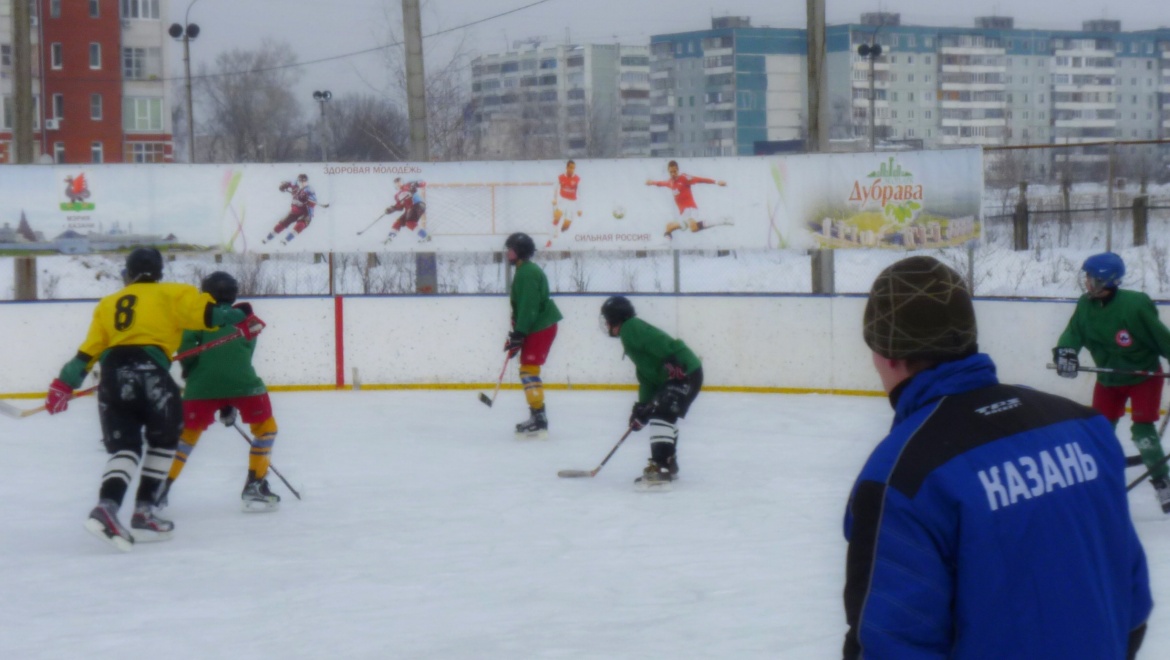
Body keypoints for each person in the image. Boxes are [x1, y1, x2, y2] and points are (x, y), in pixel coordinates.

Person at [844, 255, 1151, 659]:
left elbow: (890, 644)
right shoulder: (1085, 427)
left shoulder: (902, 478)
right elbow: (1131, 607)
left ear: (885, 353)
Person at [45, 248, 261, 551]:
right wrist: (243, 314)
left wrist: (63, 384)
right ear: (159, 273)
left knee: (126, 448)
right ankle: (144, 511)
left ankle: (106, 507)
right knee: (164, 440)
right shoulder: (173, 294)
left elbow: (88, 352)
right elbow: (212, 315)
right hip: (150, 373)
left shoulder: (109, 304)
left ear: (129, 273)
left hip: (113, 375)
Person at [1054, 251, 1170, 513]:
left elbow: (1162, 338)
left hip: (1144, 377)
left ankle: (1162, 481)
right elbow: (1074, 333)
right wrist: (1065, 352)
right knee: (1099, 429)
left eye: (1090, 277)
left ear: (1105, 281)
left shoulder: (1135, 305)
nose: (1086, 282)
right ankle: (1098, 481)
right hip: (1109, 377)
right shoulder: (1086, 305)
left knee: (1143, 433)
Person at [161, 271, 281, 512]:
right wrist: (229, 400)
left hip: (201, 386)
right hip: (244, 384)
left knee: (186, 438)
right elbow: (244, 353)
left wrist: (191, 372)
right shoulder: (247, 319)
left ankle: (158, 490)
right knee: (266, 430)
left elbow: (186, 347)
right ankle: (255, 483)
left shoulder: (197, 318)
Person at [600, 296, 702, 489]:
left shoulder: (630, 327)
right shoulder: (629, 337)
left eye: (607, 319)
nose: (605, 323)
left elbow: (656, 340)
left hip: (683, 371)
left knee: (663, 414)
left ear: (615, 318)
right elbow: (647, 377)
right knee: (664, 413)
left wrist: (671, 360)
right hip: (683, 372)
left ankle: (661, 467)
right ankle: (669, 462)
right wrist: (643, 406)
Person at [503, 232, 562, 438]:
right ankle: (537, 415)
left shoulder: (527, 273)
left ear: (519, 252)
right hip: (537, 326)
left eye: (510, 249)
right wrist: (516, 336)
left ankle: (539, 418)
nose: (507, 253)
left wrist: (520, 333)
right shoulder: (524, 270)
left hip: (540, 326)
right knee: (527, 369)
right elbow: (522, 308)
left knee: (528, 370)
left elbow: (529, 307)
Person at [645, 160, 732, 239]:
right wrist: (652, 182)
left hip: (690, 208)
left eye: (675, 171)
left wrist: (716, 182)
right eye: (671, 172)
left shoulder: (684, 178)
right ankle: (667, 244)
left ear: (678, 170)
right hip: (683, 213)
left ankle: (721, 220)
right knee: (669, 227)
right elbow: (661, 183)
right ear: (668, 171)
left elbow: (700, 179)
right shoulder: (670, 182)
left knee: (693, 228)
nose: (673, 174)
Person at [263, 173, 318, 246]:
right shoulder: (295, 185)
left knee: (301, 223)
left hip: (305, 212)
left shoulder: (309, 190)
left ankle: (287, 239)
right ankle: (268, 238)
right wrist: (283, 185)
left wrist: (307, 200)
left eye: (304, 181)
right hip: (295, 210)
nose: (302, 183)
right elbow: (286, 183)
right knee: (283, 222)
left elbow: (313, 202)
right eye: (301, 181)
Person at [546, 160, 580, 249]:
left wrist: (579, 207)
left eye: (573, 168)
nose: (572, 169)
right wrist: (554, 199)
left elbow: (580, 193)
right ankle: (549, 240)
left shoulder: (577, 179)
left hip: (572, 203)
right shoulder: (560, 177)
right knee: (556, 220)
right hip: (563, 201)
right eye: (570, 167)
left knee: (566, 226)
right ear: (567, 168)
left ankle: (564, 243)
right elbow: (554, 188)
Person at [385, 178, 429, 244]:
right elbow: (399, 207)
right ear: (395, 185)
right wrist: (392, 209)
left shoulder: (408, 185)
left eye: (399, 182)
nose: (398, 184)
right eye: (396, 183)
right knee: (399, 222)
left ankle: (426, 237)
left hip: (417, 204)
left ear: (402, 182)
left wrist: (416, 184)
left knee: (410, 222)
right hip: (409, 209)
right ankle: (389, 238)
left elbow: (423, 183)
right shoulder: (397, 196)